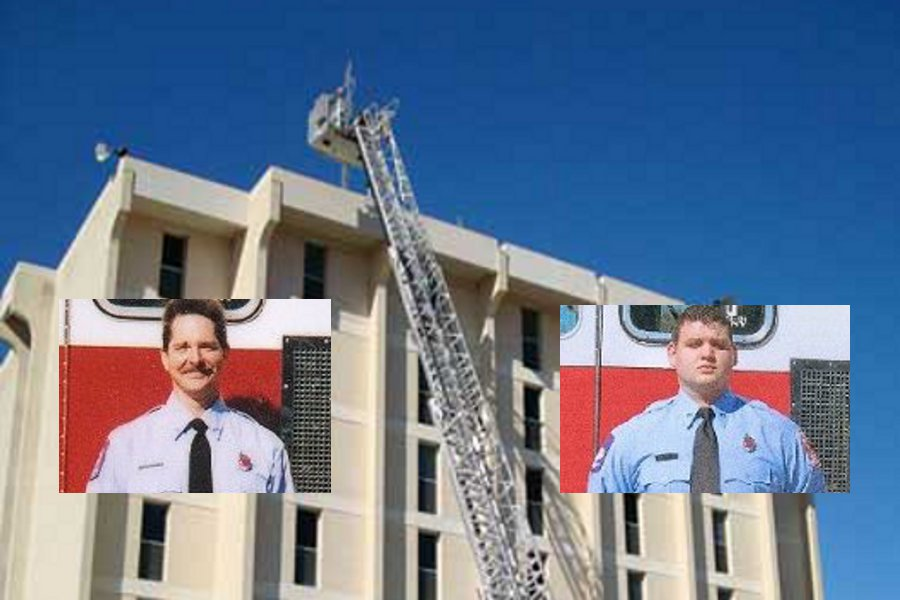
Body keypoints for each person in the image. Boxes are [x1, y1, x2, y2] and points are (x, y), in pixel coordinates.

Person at [587, 305, 825, 493]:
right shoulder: (630, 438)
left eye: (719, 345)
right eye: (694, 344)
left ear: (734, 355)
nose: (707, 354)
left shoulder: (780, 435)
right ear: (673, 354)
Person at [87, 299, 294, 493]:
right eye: (182, 347)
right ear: (165, 358)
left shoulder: (267, 447)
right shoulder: (124, 445)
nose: (195, 359)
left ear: (225, 354)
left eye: (207, 347)